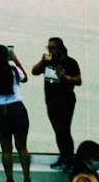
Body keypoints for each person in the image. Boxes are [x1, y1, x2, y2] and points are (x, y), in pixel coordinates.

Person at [31, 36, 81, 170]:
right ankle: (63, 156)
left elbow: (79, 81)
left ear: (60, 48)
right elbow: (34, 72)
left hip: (66, 101)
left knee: (64, 130)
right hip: (51, 101)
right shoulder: (47, 61)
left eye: (52, 48)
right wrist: (42, 62)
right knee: (58, 131)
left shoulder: (70, 62)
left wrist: (65, 77)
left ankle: (70, 159)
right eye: (48, 47)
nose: (50, 50)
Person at [0, 44, 30, 182]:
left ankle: (10, 179)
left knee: (6, 150)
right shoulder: (13, 70)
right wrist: (16, 60)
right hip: (18, 109)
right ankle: (27, 178)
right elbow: (25, 78)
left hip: (1, 112)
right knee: (22, 147)